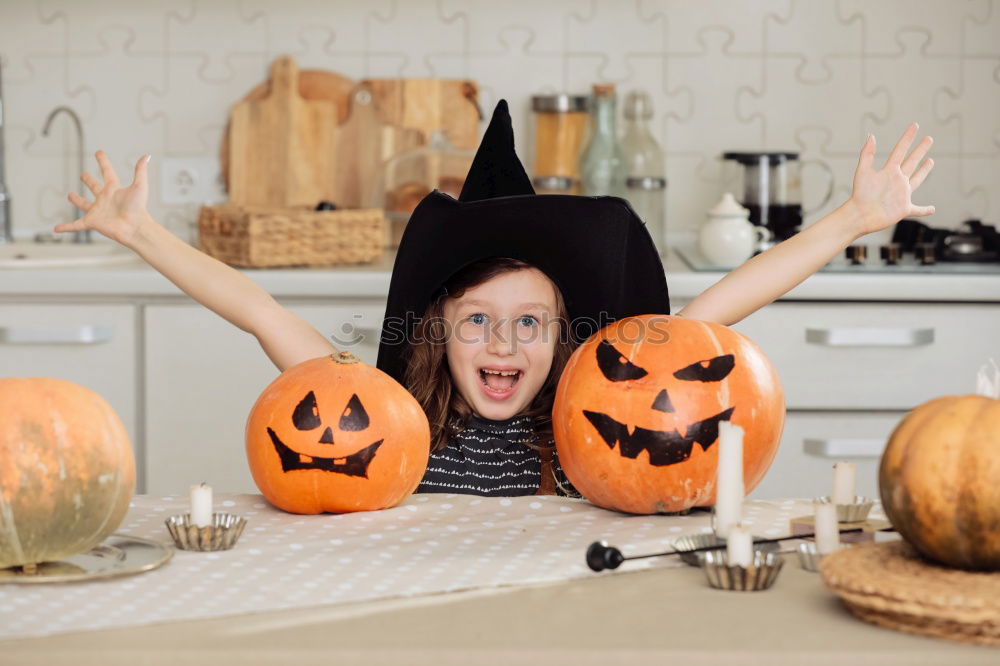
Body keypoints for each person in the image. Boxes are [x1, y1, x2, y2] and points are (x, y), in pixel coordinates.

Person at [56, 101, 934, 499]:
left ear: (568, 335)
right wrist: (142, 235)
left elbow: (725, 308)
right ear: (439, 326)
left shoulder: (592, 418)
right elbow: (260, 313)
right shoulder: (386, 412)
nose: (502, 345)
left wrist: (854, 218)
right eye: (477, 320)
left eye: (529, 323)